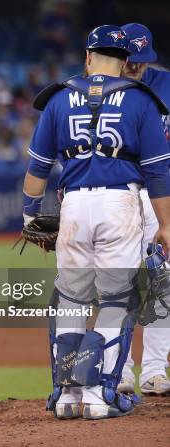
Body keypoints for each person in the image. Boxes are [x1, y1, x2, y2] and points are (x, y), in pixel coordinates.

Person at [23, 25, 170, 420]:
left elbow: (38, 166)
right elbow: (158, 171)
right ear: (124, 63)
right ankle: (100, 394)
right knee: (115, 301)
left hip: (72, 205)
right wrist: (166, 224)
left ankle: (67, 394)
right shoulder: (141, 100)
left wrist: (28, 213)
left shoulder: (58, 97)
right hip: (120, 203)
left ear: (88, 57)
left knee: (71, 298)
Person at [117, 22, 170, 397]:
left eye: (141, 59)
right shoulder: (101, 90)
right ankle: (117, 369)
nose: (135, 66)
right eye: (129, 59)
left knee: (161, 282)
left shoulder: (166, 86)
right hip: (117, 194)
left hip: (160, 195)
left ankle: (154, 370)